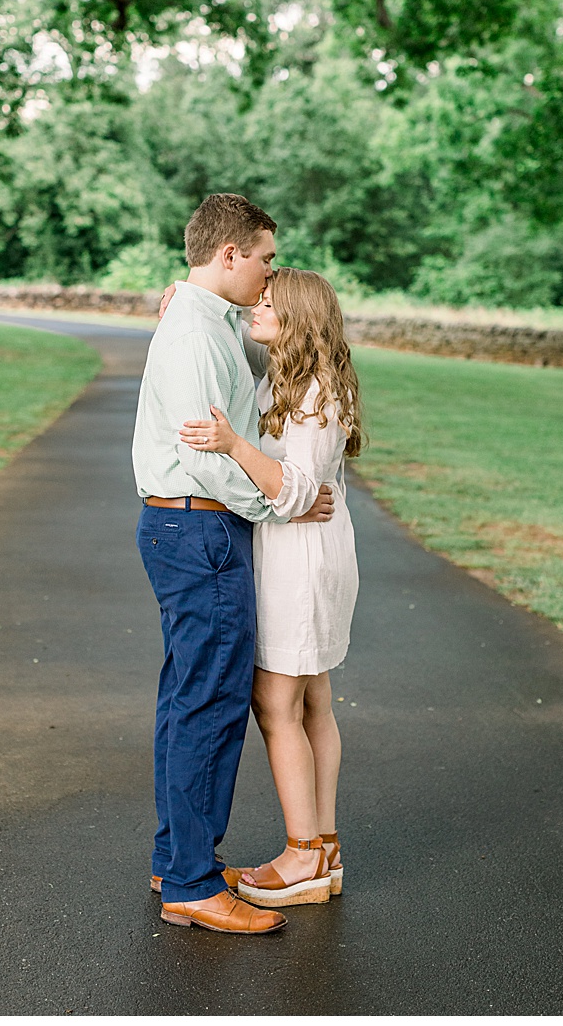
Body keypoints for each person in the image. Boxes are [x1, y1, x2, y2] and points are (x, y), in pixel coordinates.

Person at [132, 193, 335, 936]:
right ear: (230, 255)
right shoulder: (194, 333)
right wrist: (279, 506)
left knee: (189, 698)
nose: (270, 272)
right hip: (200, 527)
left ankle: (177, 860)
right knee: (210, 706)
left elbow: (260, 370)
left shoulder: (206, 321)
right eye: (265, 258)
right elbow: (205, 459)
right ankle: (190, 883)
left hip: (190, 527)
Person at [174, 267, 364, 909]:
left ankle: (302, 855)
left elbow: (301, 490)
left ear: (297, 319)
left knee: (276, 704)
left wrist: (233, 444)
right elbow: (231, 323)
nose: (256, 304)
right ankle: (324, 847)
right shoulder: (295, 374)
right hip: (308, 554)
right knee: (313, 704)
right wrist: (186, 296)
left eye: (269, 302)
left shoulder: (312, 395)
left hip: (299, 564)